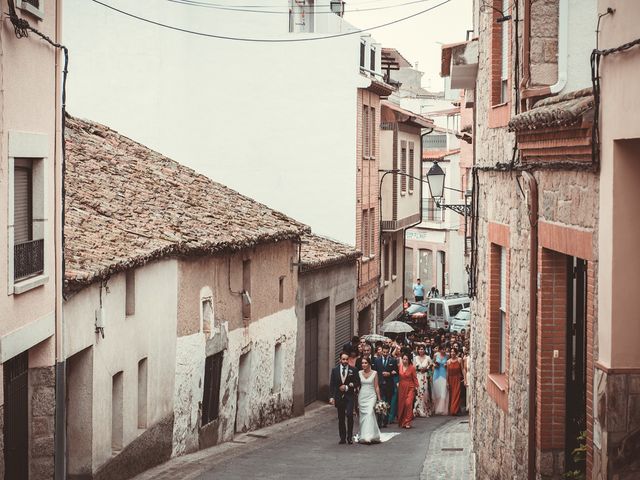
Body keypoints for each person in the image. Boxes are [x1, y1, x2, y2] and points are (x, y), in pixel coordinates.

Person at [329, 352, 360, 444]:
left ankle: (349, 437)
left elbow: (357, 383)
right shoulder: (335, 370)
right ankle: (342, 437)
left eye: (347, 359)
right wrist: (331, 397)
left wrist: (348, 387)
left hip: (349, 396)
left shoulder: (353, 370)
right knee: (341, 417)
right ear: (340, 360)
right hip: (339, 397)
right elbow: (332, 385)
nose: (345, 361)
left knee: (350, 415)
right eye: (343, 359)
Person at [357, 357, 382, 444]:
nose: (363, 365)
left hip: (372, 396)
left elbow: (376, 386)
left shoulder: (375, 373)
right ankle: (364, 435)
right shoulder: (359, 373)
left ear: (369, 364)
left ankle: (369, 436)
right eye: (362, 363)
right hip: (362, 396)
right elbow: (358, 386)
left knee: (370, 412)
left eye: (365, 363)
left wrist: (379, 399)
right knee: (363, 416)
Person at [373, 344, 397, 428]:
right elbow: (374, 372)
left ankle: (385, 420)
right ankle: (379, 421)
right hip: (380, 384)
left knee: (388, 403)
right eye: (384, 352)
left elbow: (395, 371)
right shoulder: (377, 360)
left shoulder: (393, 360)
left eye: (387, 352)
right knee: (380, 402)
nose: (385, 353)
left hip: (389, 385)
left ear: (389, 351)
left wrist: (389, 373)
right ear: (381, 351)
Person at [396, 353, 419, 429]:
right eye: (404, 359)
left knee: (408, 403)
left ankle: (408, 421)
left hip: (410, 387)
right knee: (402, 404)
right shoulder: (400, 366)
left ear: (409, 360)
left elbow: (415, 378)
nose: (405, 361)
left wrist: (417, 387)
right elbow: (397, 376)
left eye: (406, 359)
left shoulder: (412, 368)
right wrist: (397, 382)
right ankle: (402, 421)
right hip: (402, 387)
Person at [413, 345, 433, 417]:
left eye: (422, 349)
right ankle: (417, 409)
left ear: (424, 350)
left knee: (425, 392)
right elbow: (413, 368)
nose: (421, 351)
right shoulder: (416, 358)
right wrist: (418, 369)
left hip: (425, 376)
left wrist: (427, 369)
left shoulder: (428, 357)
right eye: (419, 349)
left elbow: (431, 366)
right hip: (418, 376)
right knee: (418, 392)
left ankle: (425, 409)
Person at [432, 345, 449, 415]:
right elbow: (432, 363)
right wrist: (434, 365)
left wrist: (446, 365)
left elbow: (449, 364)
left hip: (444, 373)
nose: (443, 351)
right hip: (436, 374)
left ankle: (442, 409)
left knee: (443, 391)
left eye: (444, 349)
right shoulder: (436, 355)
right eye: (442, 349)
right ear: (439, 350)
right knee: (437, 391)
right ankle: (436, 408)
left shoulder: (447, 356)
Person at [447, 348, 464, 416]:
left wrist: (464, 378)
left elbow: (462, 369)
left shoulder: (459, 360)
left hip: (457, 378)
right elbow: (447, 373)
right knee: (452, 395)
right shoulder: (448, 361)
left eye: (454, 352)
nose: (452, 353)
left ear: (456, 353)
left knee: (457, 394)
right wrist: (447, 382)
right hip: (451, 379)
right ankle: (455, 409)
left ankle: (454, 410)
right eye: (451, 352)